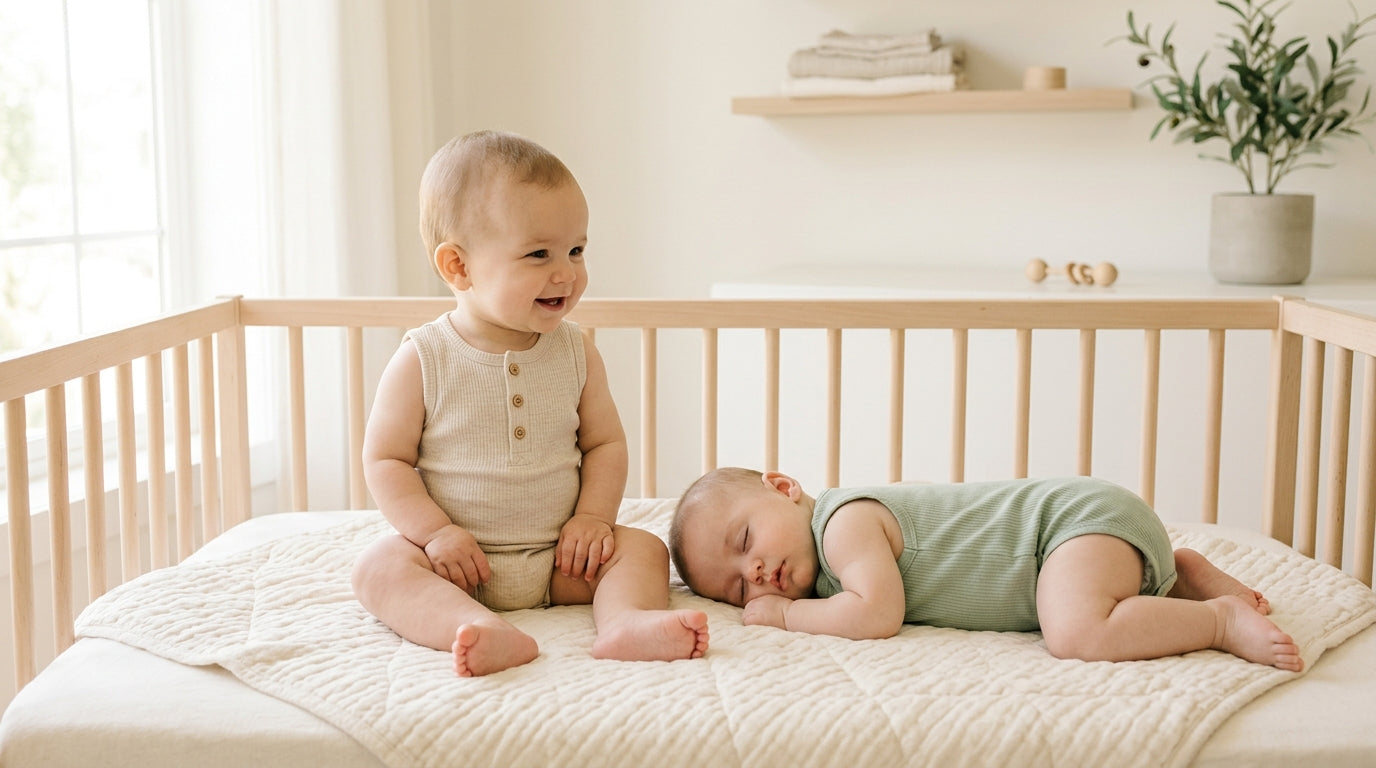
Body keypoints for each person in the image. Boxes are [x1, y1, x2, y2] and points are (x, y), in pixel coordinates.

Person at [352, 130, 708, 677]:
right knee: (379, 567)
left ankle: (623, 624)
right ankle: (477, 628)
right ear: (459, 267)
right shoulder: (424, 357)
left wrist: (593, 519)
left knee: (643, 548)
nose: (565, 272)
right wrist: (435, 534)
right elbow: (386, 460)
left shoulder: (576, 352)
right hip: (457, 563)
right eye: (538, 253)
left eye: (576, 250)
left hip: (561, 561)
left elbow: (605, 443)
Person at [669, 467, 1303, 671]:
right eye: (734, 584)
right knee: (1082, 605)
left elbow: (876, 614)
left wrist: (784, 615)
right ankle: (1174, 573)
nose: (753, 570)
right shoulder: (827, 554)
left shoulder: (844, 523)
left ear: (784, 487)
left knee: (1078, 631)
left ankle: (1216, 620)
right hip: (1089, 543)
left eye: (744, 539)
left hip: (1067, 523)